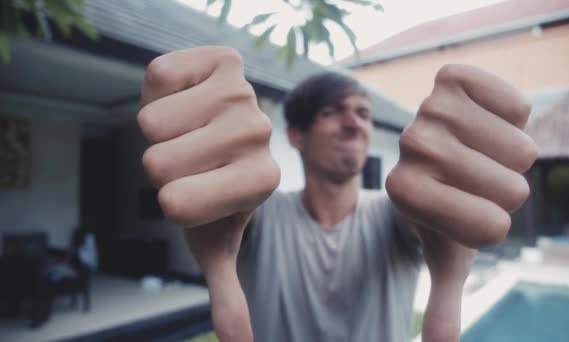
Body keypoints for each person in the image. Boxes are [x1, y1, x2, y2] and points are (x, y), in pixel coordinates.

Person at [137, 47, 538, 342]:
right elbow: (240, 206)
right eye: (332, 112)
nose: (355, 124)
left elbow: (421, 216)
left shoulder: (396, 217)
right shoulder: (258, 218)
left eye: (363, 114)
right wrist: (212, 174)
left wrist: (453, 197)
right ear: (295, 135)